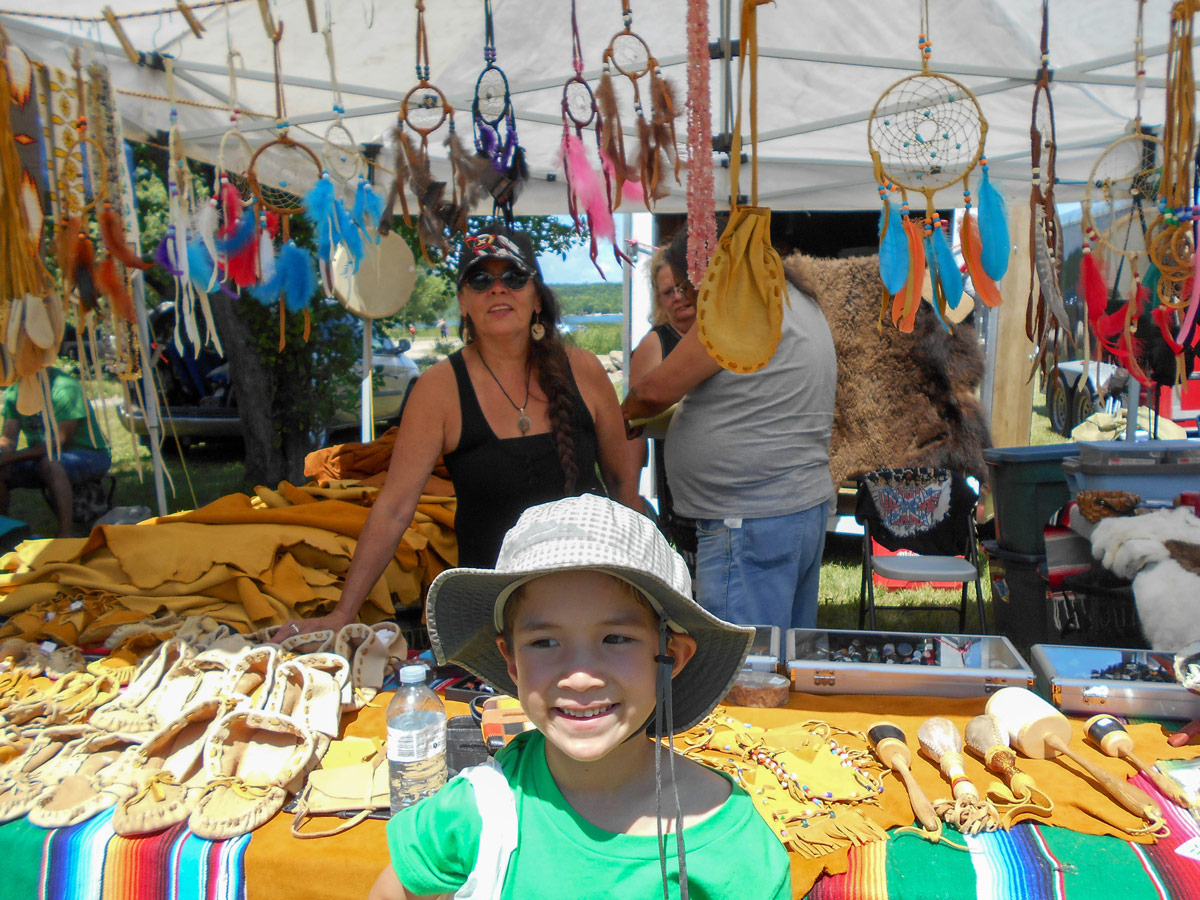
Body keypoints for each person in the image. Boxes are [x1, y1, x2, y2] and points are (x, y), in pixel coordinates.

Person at [368, 494, 792, 900]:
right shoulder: (478, 810)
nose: (580, 677)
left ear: (670, 657)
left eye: (616, 638)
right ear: (511, 661)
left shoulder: (735, 849)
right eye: (545, 642)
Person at [278, 225, 638, 639]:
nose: (498, 289)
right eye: (481, 279)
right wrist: (343, 612)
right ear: (464, 302)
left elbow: (623, 481)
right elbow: (394, 509)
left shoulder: (584, 370)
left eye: (514, 277)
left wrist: (641, 583)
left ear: (537, 297)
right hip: (495, 621)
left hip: (592, 603)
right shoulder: (438, 389)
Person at [622, 224, 837, 633]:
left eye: (689, 286)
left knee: (743, 666)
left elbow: (652, 391)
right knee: (781, 655)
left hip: (750, 519)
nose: (688, 298)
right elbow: (751, 404)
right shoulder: (792, 299)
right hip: (790, 510)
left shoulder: (739, 306)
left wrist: (621, 413)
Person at [628, 247, 698, 568]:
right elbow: (632, 427)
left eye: (683, 286)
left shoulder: (727, 336)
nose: (678, 297)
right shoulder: (654, 344)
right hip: (681, 492)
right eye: (667, 292)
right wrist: (629, 493)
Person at [0, 367, 111, 538]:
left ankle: (65, 534)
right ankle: (5, 532)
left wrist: (11, 457)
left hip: (88, 454)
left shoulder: (65, 388)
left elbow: (61, 441)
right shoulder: (15, 391)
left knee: (51, 464)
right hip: (41, 456)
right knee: (3, 471)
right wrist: (3, 452)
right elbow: (8, 436)